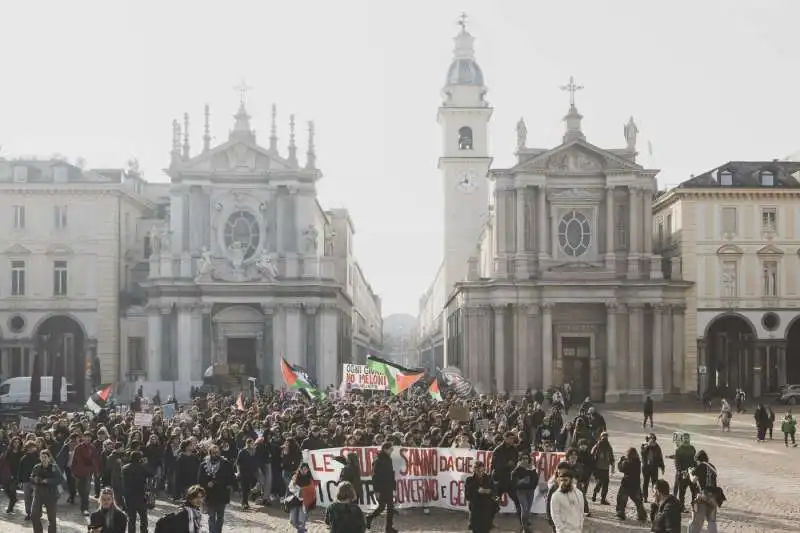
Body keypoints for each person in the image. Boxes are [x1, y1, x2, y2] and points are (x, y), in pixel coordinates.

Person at [198, 444, 235, 533]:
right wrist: (206, 484)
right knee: (211, 516)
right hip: (209, 494)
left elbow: (230, 477)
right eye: (213, 453)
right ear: (210, 453)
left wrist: (217, 482)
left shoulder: (226, 463)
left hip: (222, 493)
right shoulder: (203, 464)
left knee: (220, 516)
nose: (216, 454)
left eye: (217, 452)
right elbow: (200, 479)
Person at [366, 442, 396, 533]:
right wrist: (376, 490)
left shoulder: (389, 459)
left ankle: (389, 528)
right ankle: (369, 517)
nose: (392, 450)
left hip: (389, 487)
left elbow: (391, 474)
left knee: (390, 508)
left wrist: (394, 487)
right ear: (385, 449)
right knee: (382, 507)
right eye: (390, 449)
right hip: (381, 488)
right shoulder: (378, 461)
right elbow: (374, 477)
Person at [30, 449, 63, 533]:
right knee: (34, 515)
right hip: (38, 494)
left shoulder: (54, 467)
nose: (43, 459)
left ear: (49, 458)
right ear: (40, 458)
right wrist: (34, 479)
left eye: (45, 457)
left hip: (51, 495)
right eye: (42, 457)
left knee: (51, 518)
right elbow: (32, 477)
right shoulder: (36, 467)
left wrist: (47, 481)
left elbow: (60, 479)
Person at [688, 450, 720, 533]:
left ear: (698, 459)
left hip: (702, 497)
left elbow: (693, 480)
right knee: (712, 522)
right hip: (713, 497)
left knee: (696, 522)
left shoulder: (701, 465)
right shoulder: (712, 466)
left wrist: (690, 473)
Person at [121, 450, 151, 533]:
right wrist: (146, 464)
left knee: (131, 518)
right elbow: (151, 474)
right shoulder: (142, 467)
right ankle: (144, 531)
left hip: (129, 495)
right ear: (140, 459)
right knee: (143, 517)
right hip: (141, 494)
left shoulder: (125, 468)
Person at [549, 466, 584, 533]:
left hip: (577, 530)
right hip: (563, 530)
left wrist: (580, 525)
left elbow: (581, 511)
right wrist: (562, 529)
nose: (563, 483)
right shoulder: (556, 496)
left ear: (571, 480)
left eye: (565, 480)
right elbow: (555, 514)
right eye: (561, 480)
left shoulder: (579, 493)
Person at [616, 447, 647, 522]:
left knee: (621, 499)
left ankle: (621, 513)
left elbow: (621, 469)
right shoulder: (637, 462)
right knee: (638, 501)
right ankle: (642, 515)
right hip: (635, 484)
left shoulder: (627, 462)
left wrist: (620, 461)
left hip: (626, 484)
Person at [464, 461, 496, 533]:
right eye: (479, 470)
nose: (481, 473)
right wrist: (477, 492)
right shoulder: (469, 480)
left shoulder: (488, 478)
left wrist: (489, 491)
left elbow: (495, 491)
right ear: (474, 470)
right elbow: (467, 496)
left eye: (483, 470)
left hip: (487, 510)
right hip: (476, 510)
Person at [511, 454, 539, 533]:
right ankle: (525, 528)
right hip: (521, 491)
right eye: (523, 458)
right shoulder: (517, 469)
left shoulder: (532, 468)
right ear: (520, 459)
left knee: (528, 509)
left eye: (526, 458)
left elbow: (536, 479)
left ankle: (525, 523)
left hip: (530, 491)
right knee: (525, 508)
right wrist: (521, 481)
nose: (525, 460)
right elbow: (513, 481)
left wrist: (533, 486)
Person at [286, 463, 315, 533]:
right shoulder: (295, 477)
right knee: (293, 521)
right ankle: (300, 528)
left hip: (304, 502)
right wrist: (298, 491)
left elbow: (312, 490)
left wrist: (305, 492)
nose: (305, 471)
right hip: (295, 500)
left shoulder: (310, 479)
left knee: (301, 521)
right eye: (303, 469)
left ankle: (301, 529)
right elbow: (290, 488)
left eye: (306, 469)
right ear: (300, 469)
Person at [235, 438, 259, 510]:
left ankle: (248, 500)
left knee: (250, 487)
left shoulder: (254, 451)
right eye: (250, 443)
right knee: (244, 488)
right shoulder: (242, 452)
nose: (252, 444)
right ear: (247, 444)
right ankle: (244, 503)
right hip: (243, 472)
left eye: (253, 443)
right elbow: (238, 463)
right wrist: (238, 471)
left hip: (252, 472)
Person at [640, 433, 665, 501]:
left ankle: (655, 497)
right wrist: (648, 446)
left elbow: (660, 457)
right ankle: (645, 497)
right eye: (650, 438)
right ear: (647, 439)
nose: (651, 440)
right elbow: (642, 453)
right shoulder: (644, 445)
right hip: (646, 467)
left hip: (654, 467)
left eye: (652, 438)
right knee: (645, 482)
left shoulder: (657, 446)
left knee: (655, 483)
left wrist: (662, 466)